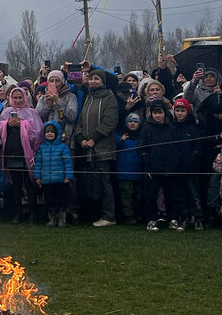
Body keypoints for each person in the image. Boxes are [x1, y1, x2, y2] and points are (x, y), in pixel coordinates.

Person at [75, 69, 118, 226]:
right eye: (91, 78)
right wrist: (80, 138)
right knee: (90, 182)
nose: (93, 81)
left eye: (97, 79)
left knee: (104, 182)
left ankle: (109, 216)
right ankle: (92, 213)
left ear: (103, 81)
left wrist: (94, 138)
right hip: (87, 147)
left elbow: (110, 121)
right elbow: (80, 120)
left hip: (103, 147)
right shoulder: (89, 97)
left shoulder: (109, 97)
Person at [138, 100, 182, 231]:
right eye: (155, 113)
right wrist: (148, 161)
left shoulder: (172, 128)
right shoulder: (146, 128)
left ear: (165, 113)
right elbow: (141, 148)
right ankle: (151, 220)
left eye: (160, 112)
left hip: (170, 167)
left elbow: (178, 146)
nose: (158, 115)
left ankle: (173, 220)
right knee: (151, 196)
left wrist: (176, 161)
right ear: (151, 114)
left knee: (172, 195)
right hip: (153, 168)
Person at [171, 97, 204, 230]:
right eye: (177, 110)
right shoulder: (171, 127)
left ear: (187, 112)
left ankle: (197, 217)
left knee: (194, 194)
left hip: (191, 166)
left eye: (182, 110)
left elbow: (198, 146)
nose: (179, 113)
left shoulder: (193, 128)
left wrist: (193, 157)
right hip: (176, 166)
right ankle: (183, 216)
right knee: (180, 194)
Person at [33, 120, 73, 227]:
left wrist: (68, 176)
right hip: (46, 180)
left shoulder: (63, 147)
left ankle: (61, 219)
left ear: (57, 133)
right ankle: (52, 218)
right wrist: (37, 176)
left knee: (61, 199)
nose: (49, 133)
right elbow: (38, 163)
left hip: (60, 180)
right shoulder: (41, 148)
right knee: (49, 200)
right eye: (47, 131)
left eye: (52, 131)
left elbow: (68, 162)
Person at [115, 111, 144, 225]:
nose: (132, 124)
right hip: (124, 171)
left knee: (138, 195)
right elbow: (115, 145)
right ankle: (128, 215)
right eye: (130, 121)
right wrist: (120, 140)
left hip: (138, 170)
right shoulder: (121, 135)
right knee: (126, 194)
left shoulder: (141, 136)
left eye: (135, 122)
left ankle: (138, 214)